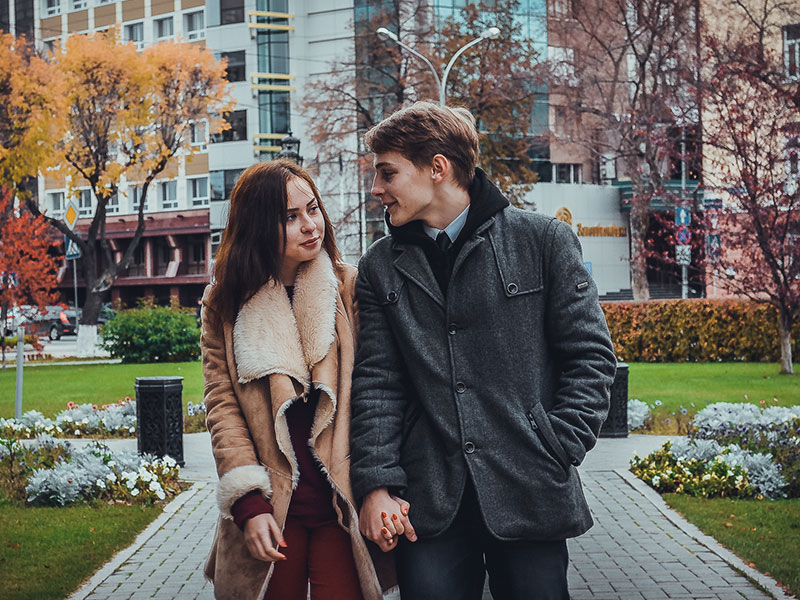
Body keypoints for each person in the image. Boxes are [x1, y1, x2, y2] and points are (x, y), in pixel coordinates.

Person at [349, 101, 617, 600]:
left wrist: (558, 445)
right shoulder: (380, 267)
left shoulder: (544, 241)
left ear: (437, 168)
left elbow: (591, 357)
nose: (376, 189)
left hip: (530, 489)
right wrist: (376, 483)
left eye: (387, 173)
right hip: (428, 501)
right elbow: (377, 383)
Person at [201, 159, 390, 600]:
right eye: (290, 217)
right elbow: (223, 406)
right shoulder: (224, 303)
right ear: (257, 226)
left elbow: (376, 390)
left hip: (341, 502)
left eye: (313, 209)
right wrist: (248, 504)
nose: (310, 225)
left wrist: (382, 485)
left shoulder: (348, 287)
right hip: (273, 506)